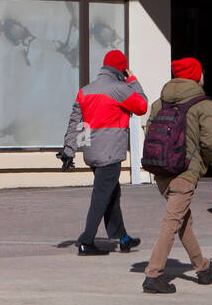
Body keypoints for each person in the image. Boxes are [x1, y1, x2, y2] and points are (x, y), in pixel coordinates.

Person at [142, 56, 212, 294]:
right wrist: (202, 165)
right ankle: (153, 275)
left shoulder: (160, 102)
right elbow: (211, 140)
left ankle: (203, 268)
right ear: (196, 76)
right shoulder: (204, 104)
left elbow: (149, 132)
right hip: (185, 172)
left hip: (161, 172)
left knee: (183, 220)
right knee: (172, 221)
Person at [58, 49, 147, 256]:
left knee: (111, 195)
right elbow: (142, 105)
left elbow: (75, 122)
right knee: (101, 197)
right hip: (110, 154)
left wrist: (69, 150)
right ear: (121, 69)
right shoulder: (119, 89)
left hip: (92, 152)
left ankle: (123, 238)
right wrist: (132, 79)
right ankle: (86, 241)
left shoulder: (85, 91)